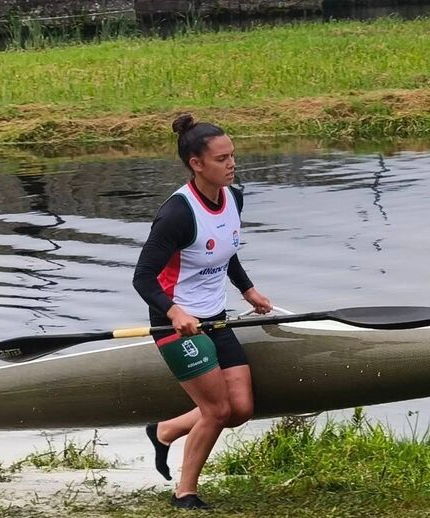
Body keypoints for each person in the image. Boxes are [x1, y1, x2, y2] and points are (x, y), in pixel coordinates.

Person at [132, 113, 272, 510]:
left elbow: (226, 253)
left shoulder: (234, 197)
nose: (232, 164)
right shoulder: (177, 213)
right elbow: (143, 278)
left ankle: (164, 430)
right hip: (176, 325)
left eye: (233, 156)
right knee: (216, 410)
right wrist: (173, 312)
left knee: (240, 409)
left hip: (215, 317)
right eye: (222, 159)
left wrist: (248, 290)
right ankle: (185, 493)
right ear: (197, 164)